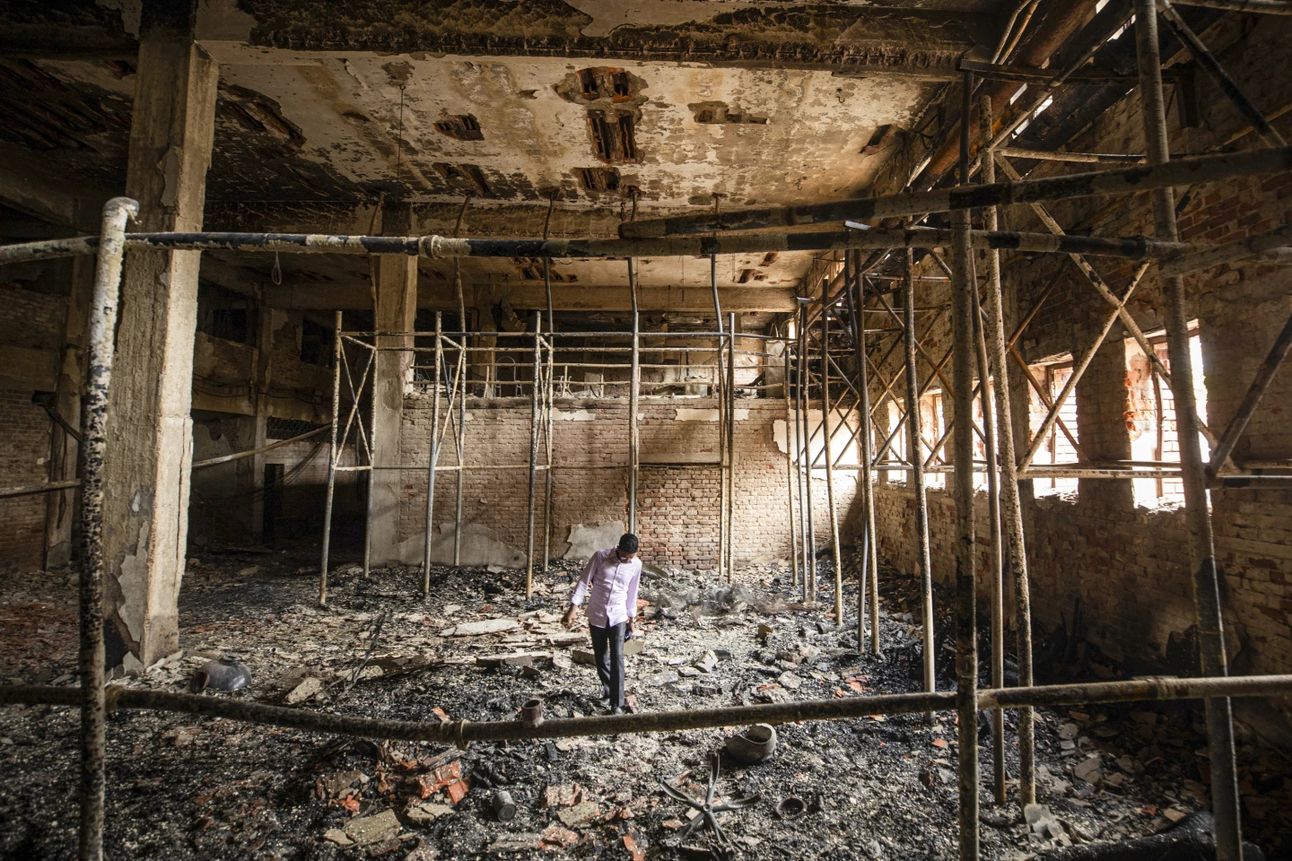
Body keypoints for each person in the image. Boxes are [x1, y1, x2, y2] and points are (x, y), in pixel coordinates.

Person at [562, 532, 642, 714]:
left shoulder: (636, 565)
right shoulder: (600, 556)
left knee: (618, 658)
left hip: (619, 616)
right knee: (601, 657)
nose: (626, 560)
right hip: (597, 614)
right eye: (623, 556)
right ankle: (608, 690)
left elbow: (632, 592)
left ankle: (617, 704)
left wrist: (632, 618)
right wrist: (573, 608)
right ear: (618, 548)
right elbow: (583, 582)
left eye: (630, 557)